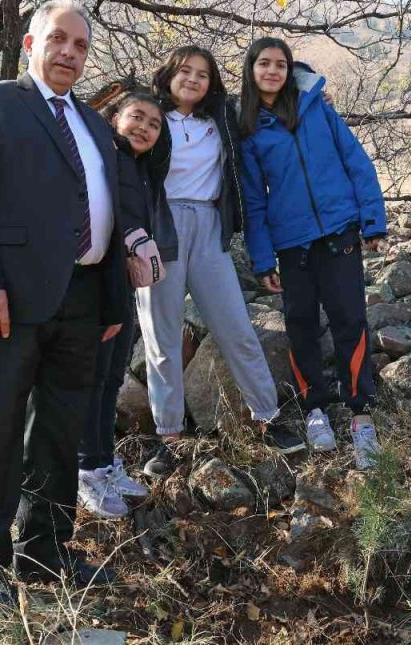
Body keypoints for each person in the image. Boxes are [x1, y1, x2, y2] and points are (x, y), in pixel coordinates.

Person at [0, 0, 128, 606]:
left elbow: (109, 209)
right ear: (30, 44)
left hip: (82, 298)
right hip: (7, 296)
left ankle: (46, 550)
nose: (69, 53)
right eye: (58, 39)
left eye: (80, 45)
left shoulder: (95, 124)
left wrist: (110, 304)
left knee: (58, 429)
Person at [135, 45, 305, 478]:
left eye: (203, 74)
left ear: (211, 83)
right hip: (161, 226)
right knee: (161, 337)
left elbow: (267, 94)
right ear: (169, 75)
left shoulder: (222, 118)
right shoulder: (152, 116)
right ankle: (168, 437)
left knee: (237, 328)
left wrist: (309, 91)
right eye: (185, 71)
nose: (193, 79)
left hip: (210, 226)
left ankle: (269, 417)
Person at [237, 43, 388, 469]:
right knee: (301, 324)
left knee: (350, 319)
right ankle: (315, 410)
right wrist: (262, 259)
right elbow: (254, 200)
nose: (272, 71)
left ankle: (360, 412)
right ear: (251, 70)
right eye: (264, 64)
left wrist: (373, 220)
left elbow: (356, 161)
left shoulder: (318, 107)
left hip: (340, 231)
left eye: (280, 64)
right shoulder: (249, 129)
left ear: (290, 70)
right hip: (292, 244)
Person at [77, 92, 171, 518]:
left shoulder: (139, 166)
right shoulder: (105, 157)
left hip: (123, 286)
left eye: (154, 124)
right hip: (96, 285)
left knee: (112, 378)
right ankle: (86, 469)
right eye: (137, 117)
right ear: (114, 117)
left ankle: (104, 463)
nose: (144, 128)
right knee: (94, 379)